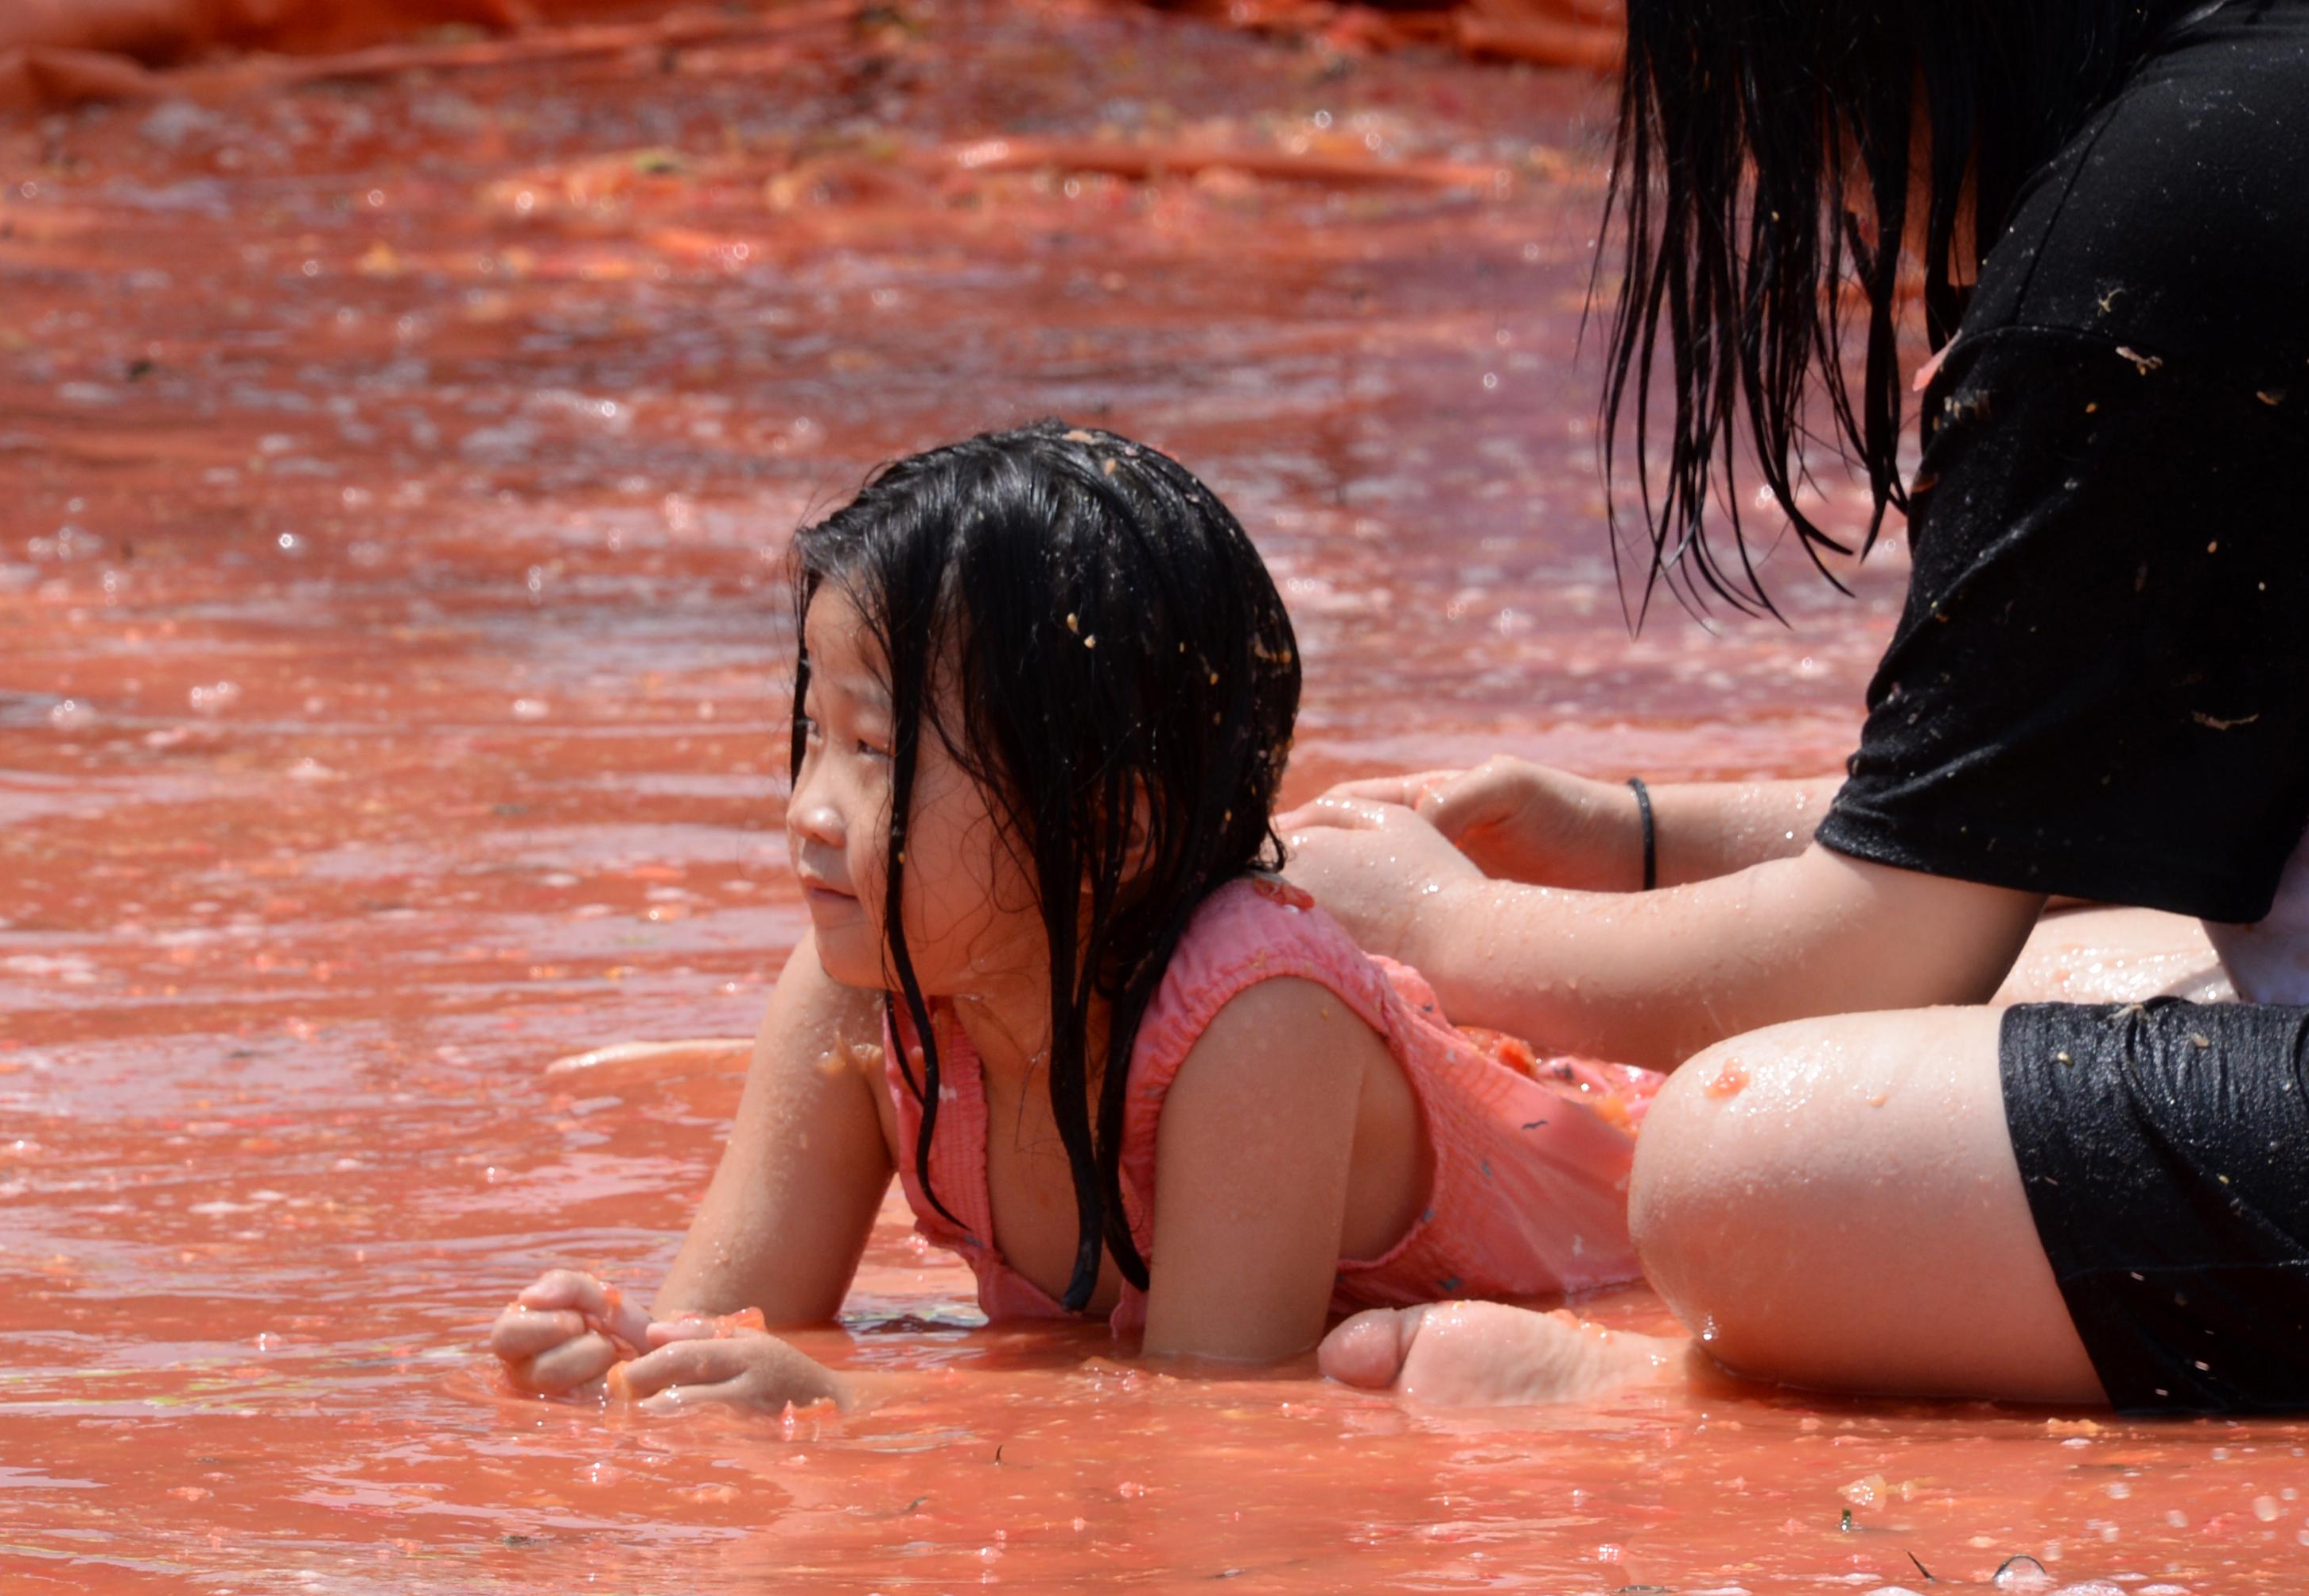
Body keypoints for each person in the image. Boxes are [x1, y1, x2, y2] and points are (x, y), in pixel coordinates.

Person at [1288, 0, 2309, 1413]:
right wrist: (1624, 838)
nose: (1820, 191)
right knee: (2087, 965)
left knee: (1751, 1159)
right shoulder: (2251, 104)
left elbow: (1873, 960)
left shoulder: (2140, 234)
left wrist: (1433, 927)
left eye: (1789, 132)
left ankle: (1685, 1413)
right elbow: (2029, 829)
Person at [488, 422, 1655, 1412]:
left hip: (1634, 1243)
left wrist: (858, 1407)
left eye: (876, 751)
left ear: (1117, 826)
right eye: (816, 738)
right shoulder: (860, 993)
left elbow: (1214, 1425)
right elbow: (732, 1326)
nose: (809, 811)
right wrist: (621, 1359)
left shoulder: (1257, 1023)